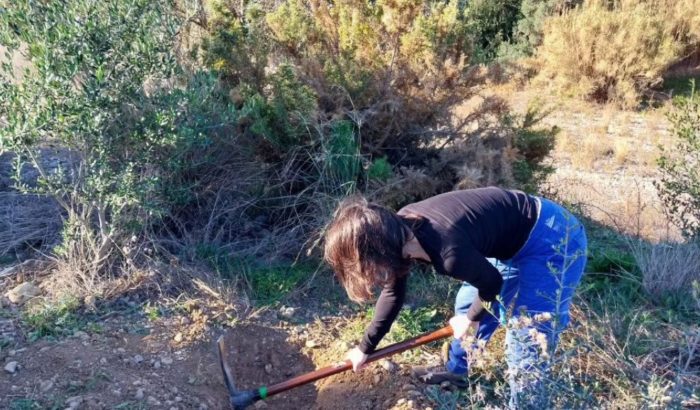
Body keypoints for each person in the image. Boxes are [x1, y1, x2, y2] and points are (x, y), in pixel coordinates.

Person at [323, 187, 587, 405]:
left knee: (527, 334)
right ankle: (457, 372)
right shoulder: (400, 231)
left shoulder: (448, 253)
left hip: (552, 238)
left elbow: (492, 283)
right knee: (467, 303)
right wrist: (365, 348)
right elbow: (393, 293)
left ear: (379, 250)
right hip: (511, 239)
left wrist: (471, 319)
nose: (369, 274)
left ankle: (527, 403)